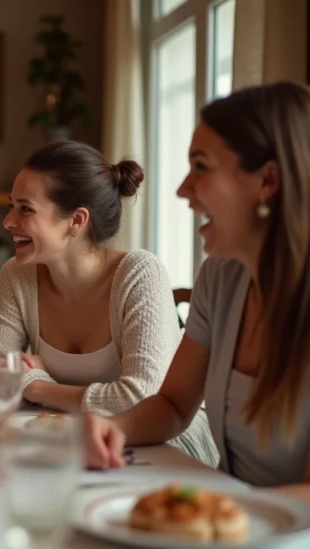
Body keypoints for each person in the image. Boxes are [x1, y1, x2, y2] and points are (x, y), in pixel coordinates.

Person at [82, 82, 310, 495]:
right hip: (232, 531)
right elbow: (172, 405)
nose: (182, 189)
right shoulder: (221, 278)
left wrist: (213, 512)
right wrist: (111, 426)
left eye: (201, 166)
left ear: (268, 180)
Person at [0, 140, 218, 467]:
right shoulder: (17, 274)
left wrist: (38, 385)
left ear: (76, 220)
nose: (7, 221)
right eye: (11, 206)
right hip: (67, 432)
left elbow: (141, 400)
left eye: (25, 208)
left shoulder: (139, 273)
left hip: (161, 442)